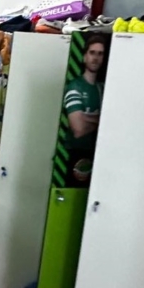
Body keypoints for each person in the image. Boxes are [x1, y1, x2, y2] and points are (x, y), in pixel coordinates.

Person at [62, 35, 106, 186]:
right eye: (92, 52)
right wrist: (102, 120)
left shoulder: (103, 88)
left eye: (100, 54)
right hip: (74, 154)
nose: (96, 58)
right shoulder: (75, 87)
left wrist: (86, 117)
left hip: (97, 153)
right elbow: (79, 129)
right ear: (85, 56)